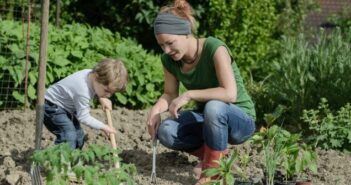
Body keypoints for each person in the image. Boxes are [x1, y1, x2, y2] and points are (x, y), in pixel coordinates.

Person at [146, 0, 256, 184]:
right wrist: (156, 111)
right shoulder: (169, 60)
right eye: (161, 45)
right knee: (166, 130)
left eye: (170, 43)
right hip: (208, 119)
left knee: (214, 107)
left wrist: (189, 94)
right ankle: (216, 156)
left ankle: (212, 173)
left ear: (186, 32)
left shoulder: (215, 48)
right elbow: (169, 94)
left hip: (239, 120)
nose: (166, 50)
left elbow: (230, 94)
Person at [43, 58, 128, 149]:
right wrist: (104, 127)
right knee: (68, 136)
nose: (109, 95)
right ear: (97, 77)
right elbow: (83, 117)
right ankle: (62, 161)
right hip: (51, 107)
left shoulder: (91, 75)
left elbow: (95, 88)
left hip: (65, 108)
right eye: (106, 91)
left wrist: (101, 97)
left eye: (111, 93)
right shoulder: (82, 90)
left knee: (79, 136)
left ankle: (74, 160)